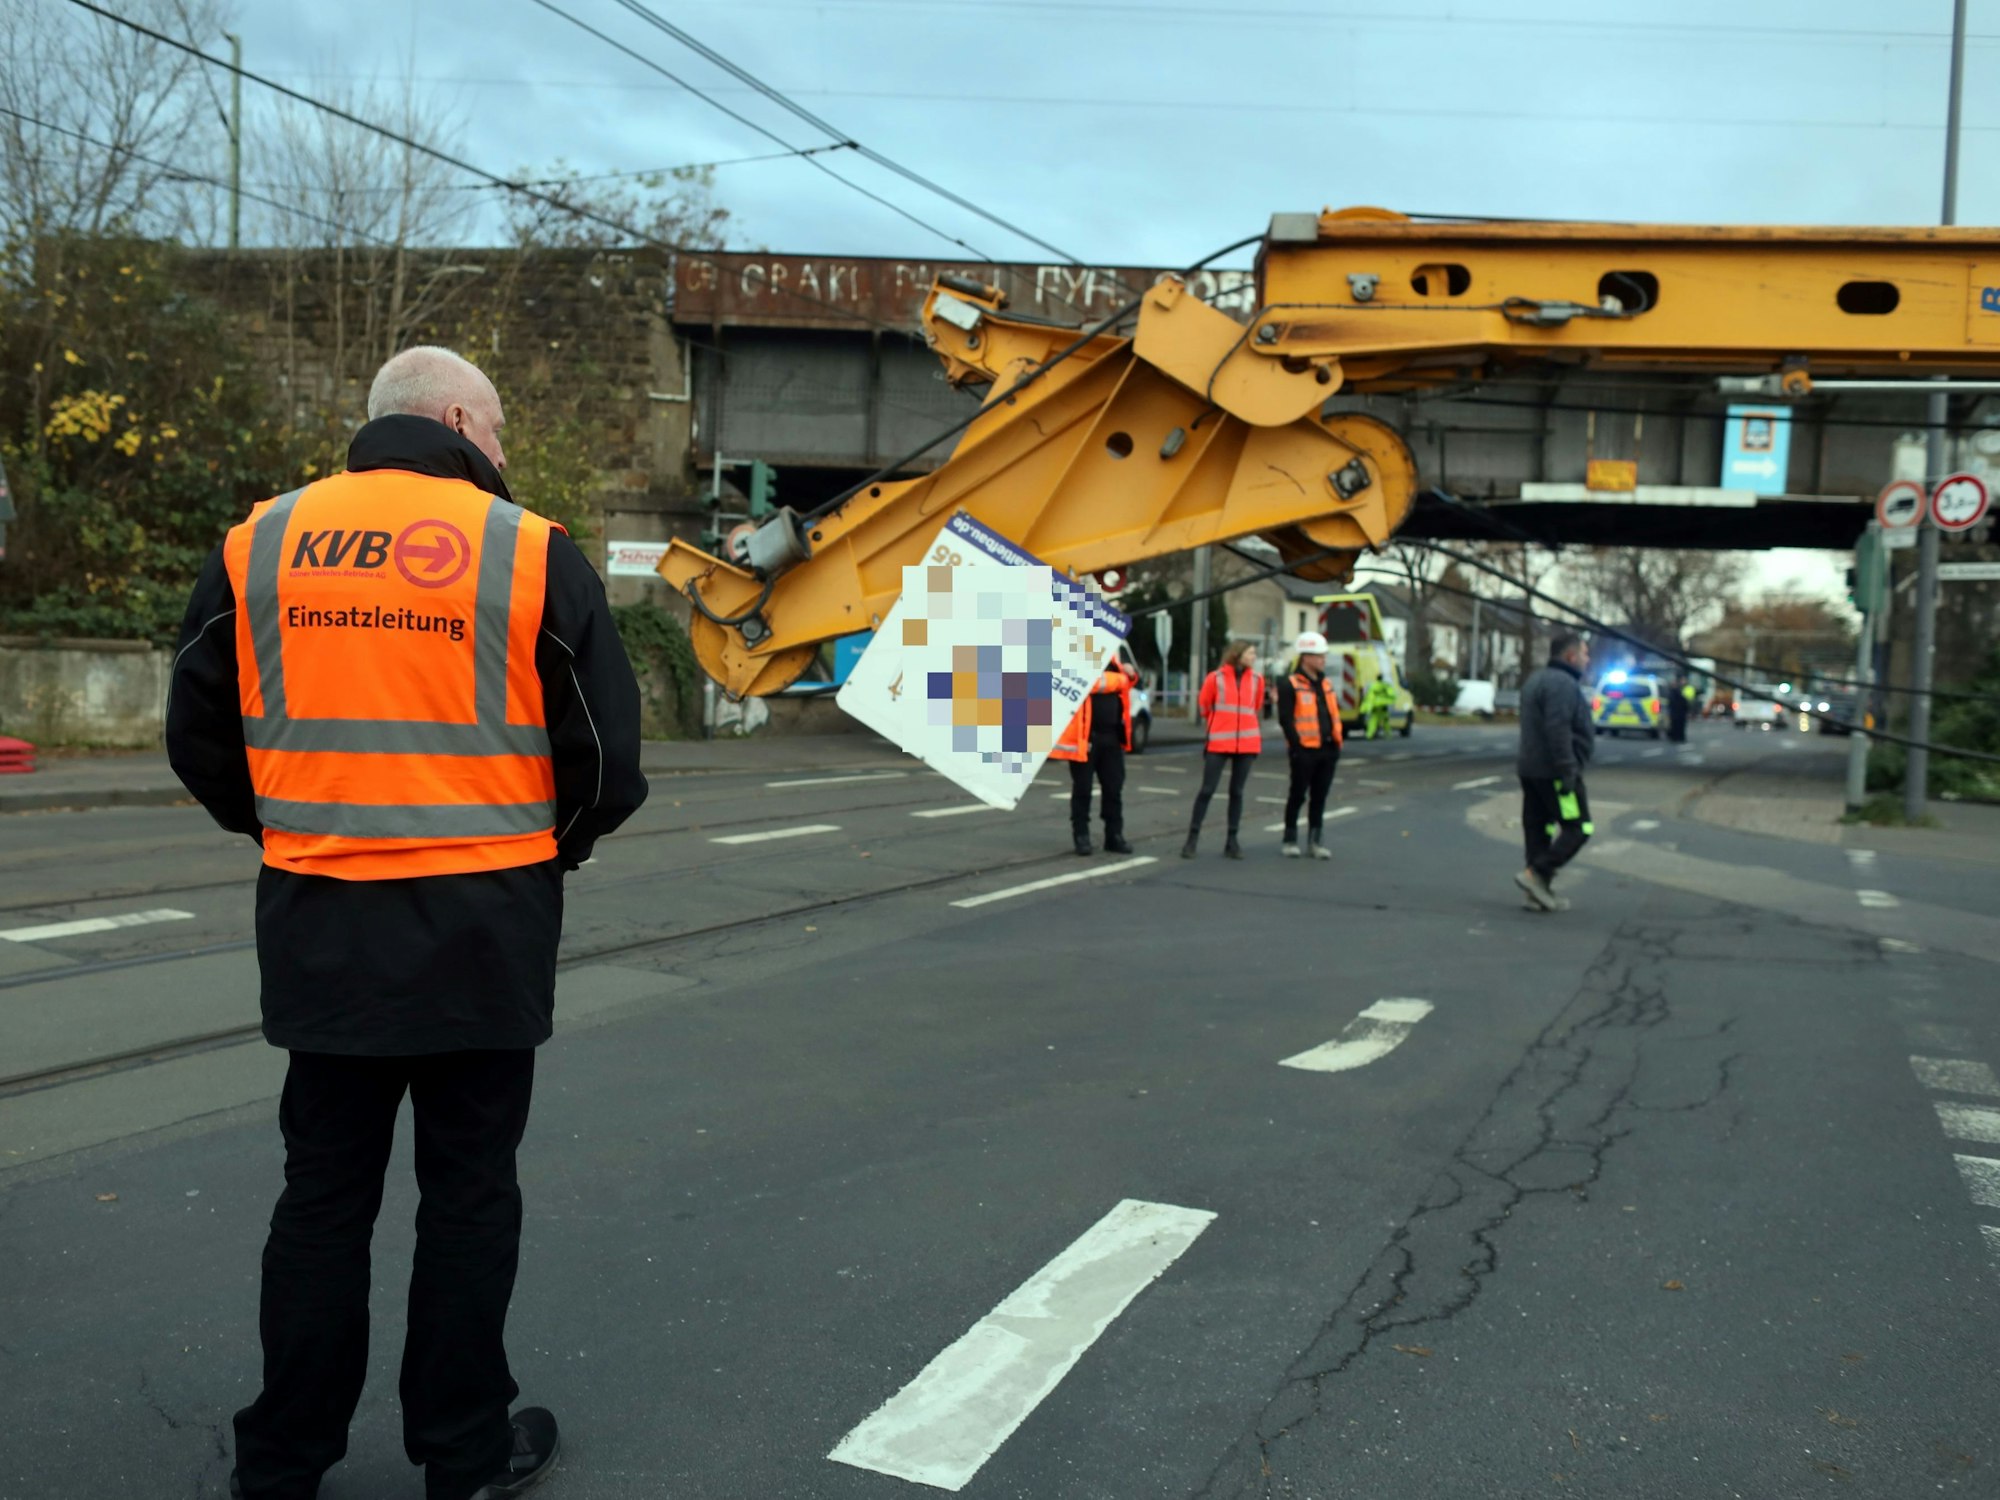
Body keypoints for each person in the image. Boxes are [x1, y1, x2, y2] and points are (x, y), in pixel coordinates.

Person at [166, 346, 648, 1500]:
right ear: (454, 419)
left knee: (322, 1196)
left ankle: (281, 1462)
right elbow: (606, 762)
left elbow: (198, 732)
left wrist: (296, 828)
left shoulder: (260, 545)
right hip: (486, 929)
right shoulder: (527, 551)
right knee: (469, 1193)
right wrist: (543, 855)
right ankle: (463, 1457)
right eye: (498, 432)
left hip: (321, 925)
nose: (503, 455)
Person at [1515, 630, 1595, 913]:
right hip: (1557, 774)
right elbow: (1558, 729)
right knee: (1579, 827)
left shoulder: (1535, 680)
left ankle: (1537, 893)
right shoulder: (1563, 685)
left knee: (1539, 829)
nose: (1587, 660)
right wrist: (1568, 771)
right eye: (1585, 654)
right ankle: (1536, 874)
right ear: (1570, 656)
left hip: (1531, 770)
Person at [1183, 639, 1263, 860]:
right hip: (1219, 742)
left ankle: (1232, 841)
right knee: (1207, 790)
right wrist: (1219, 725)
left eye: (1254, 653)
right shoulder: (1215, 678)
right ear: (1238, 654)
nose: (1254, 657)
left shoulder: (1257, 680)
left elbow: (1254, 707)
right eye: (1250, 653)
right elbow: (1204, 706)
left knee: (1237, 792)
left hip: (1247, 743)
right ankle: (1192, 839)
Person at [1051, 654, 1139, 856]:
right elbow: (1093, 684)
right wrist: (1122, 679)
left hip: (1112, 737)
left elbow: (1126, 684)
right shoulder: (1077, 658)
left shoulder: (1114, 660)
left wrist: (1131, 674)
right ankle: (1081, 836)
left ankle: (1114, 835)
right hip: (1086, 739)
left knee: (1113, 789)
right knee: (1083, 789)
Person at [1276, 631, 1342, 859]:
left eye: (1323, 655)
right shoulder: (1290, 684)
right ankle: (1290, 839)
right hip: (1304, 750)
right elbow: (1285, 719)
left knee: (1320, 796)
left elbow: (1333, 714)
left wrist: (1336, 745)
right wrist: (1296, 747)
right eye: (1318, 655)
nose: (1323, 659)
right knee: (1297, 794)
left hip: (1327, 749)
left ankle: (1315, 841)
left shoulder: (1326, 684)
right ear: (1306, 657)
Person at [1359, 673, 1398, 739]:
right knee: (1386, 722)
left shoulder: (1373, 686)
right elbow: (1392, 695)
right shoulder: (1385, 686)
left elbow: (1369, 697)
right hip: (1383, 707)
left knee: (1372, 722)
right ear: (1382, 678)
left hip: (1375, 707)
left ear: (1377, 678)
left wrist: (1367, 706)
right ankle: (1388, 734)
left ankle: (1369, 735)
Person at [1667, 673, 1695, 742]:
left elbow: (1688, 699)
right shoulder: (1676, 690)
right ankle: (1676, 737)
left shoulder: (1686, 689)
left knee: (1680, 725)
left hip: (1681, 711)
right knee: (1675, 725)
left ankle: (1679, 737)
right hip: (1676, 711)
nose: (1683, 681)